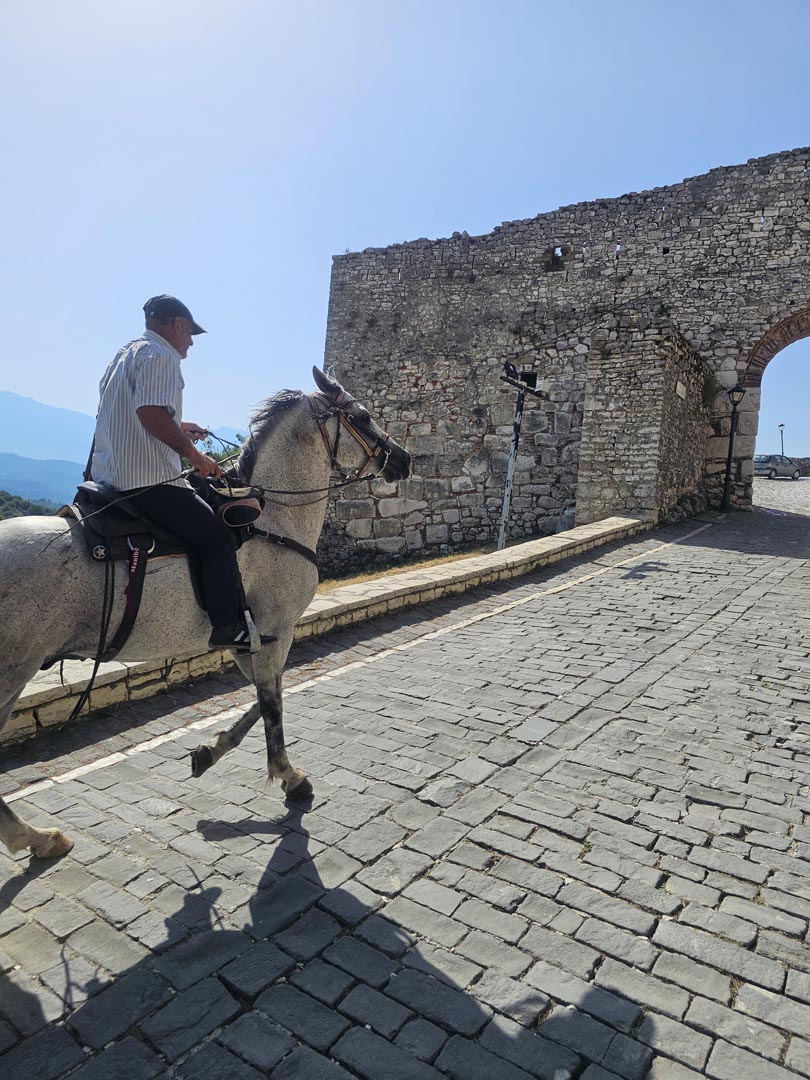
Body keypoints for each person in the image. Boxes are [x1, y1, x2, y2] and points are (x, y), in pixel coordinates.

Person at [90, 295, 252, 651]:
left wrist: (180, 424)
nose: (191, 341)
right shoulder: (163, 356)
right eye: (191, 332)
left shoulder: (125, 354)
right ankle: (227, 626)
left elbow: (138, 413)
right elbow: (150, 412)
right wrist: (196, 456)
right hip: (147, 480)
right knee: (217, 538)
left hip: (106, 477)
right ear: (177, 324)